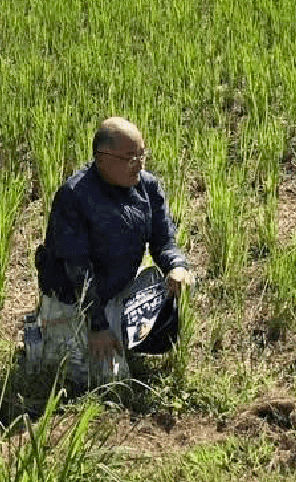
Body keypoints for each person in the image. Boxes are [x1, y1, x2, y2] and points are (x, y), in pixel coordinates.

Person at [34, 116, 193, 387]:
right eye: (130, 157)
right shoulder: (74, 196)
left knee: (181, 283)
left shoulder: (147, 186)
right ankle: (45, 334)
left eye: (142, 155)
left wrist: (177, 266)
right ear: (101, 158)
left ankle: (118, 331)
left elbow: (163, 241)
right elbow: (78, 270)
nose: (139, 165)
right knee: (112, 383)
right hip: (76, 301)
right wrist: (97, 325)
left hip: (119, 288)